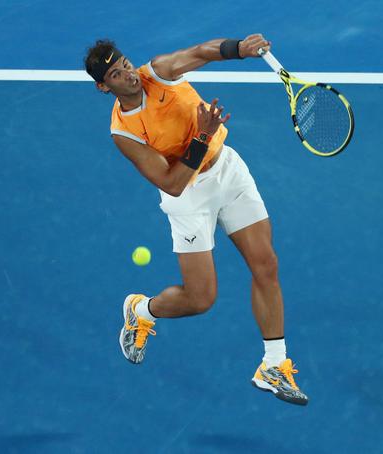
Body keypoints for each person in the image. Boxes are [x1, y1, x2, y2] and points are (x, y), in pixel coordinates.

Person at [84, 35, 308, 405]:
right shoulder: (124, 133)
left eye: (124, 62)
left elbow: (201, 52)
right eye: (116, 73)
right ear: (103, 86)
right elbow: (172, 184)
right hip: (189, 197)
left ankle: (273, 364)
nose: (127, 73)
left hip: (228, 171)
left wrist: (239, 48)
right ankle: (141, 309)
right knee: (201, 299)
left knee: (266, 264)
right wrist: (201, 136)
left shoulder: (159, 72)